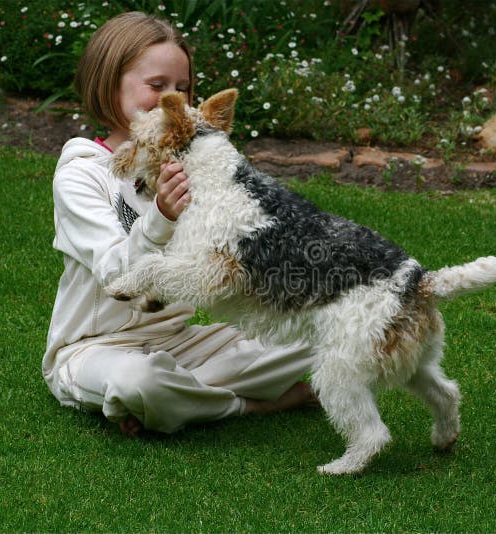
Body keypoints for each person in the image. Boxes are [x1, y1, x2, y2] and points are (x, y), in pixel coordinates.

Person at [42, 11, 316, 437]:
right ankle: (248, 405)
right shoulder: (80, 174)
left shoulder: (189, 162)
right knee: (141, 383)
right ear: (109, 81)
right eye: (157, 86)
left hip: (183, 342)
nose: (176, 99)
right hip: (97, 349)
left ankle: (178, 399)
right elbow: (118, 275)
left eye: (183, 88)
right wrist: (163, 215)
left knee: (319, 325)